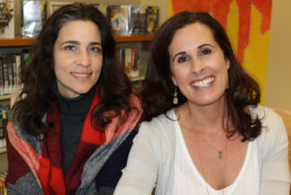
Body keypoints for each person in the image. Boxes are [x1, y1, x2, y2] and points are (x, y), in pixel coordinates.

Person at [114, 11, 290, 195]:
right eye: (182, 59)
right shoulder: (155, 136)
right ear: (173, 76)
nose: (197, 68)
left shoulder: (269, 127)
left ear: (227, 59)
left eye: (205, 51)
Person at [5, 3, 142, 195]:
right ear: (49, 54)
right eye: (71, 47)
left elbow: (113, 189)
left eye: (94, 49)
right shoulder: (22, 119)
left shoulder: (127, 116)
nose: (85, 61)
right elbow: (18, 188)